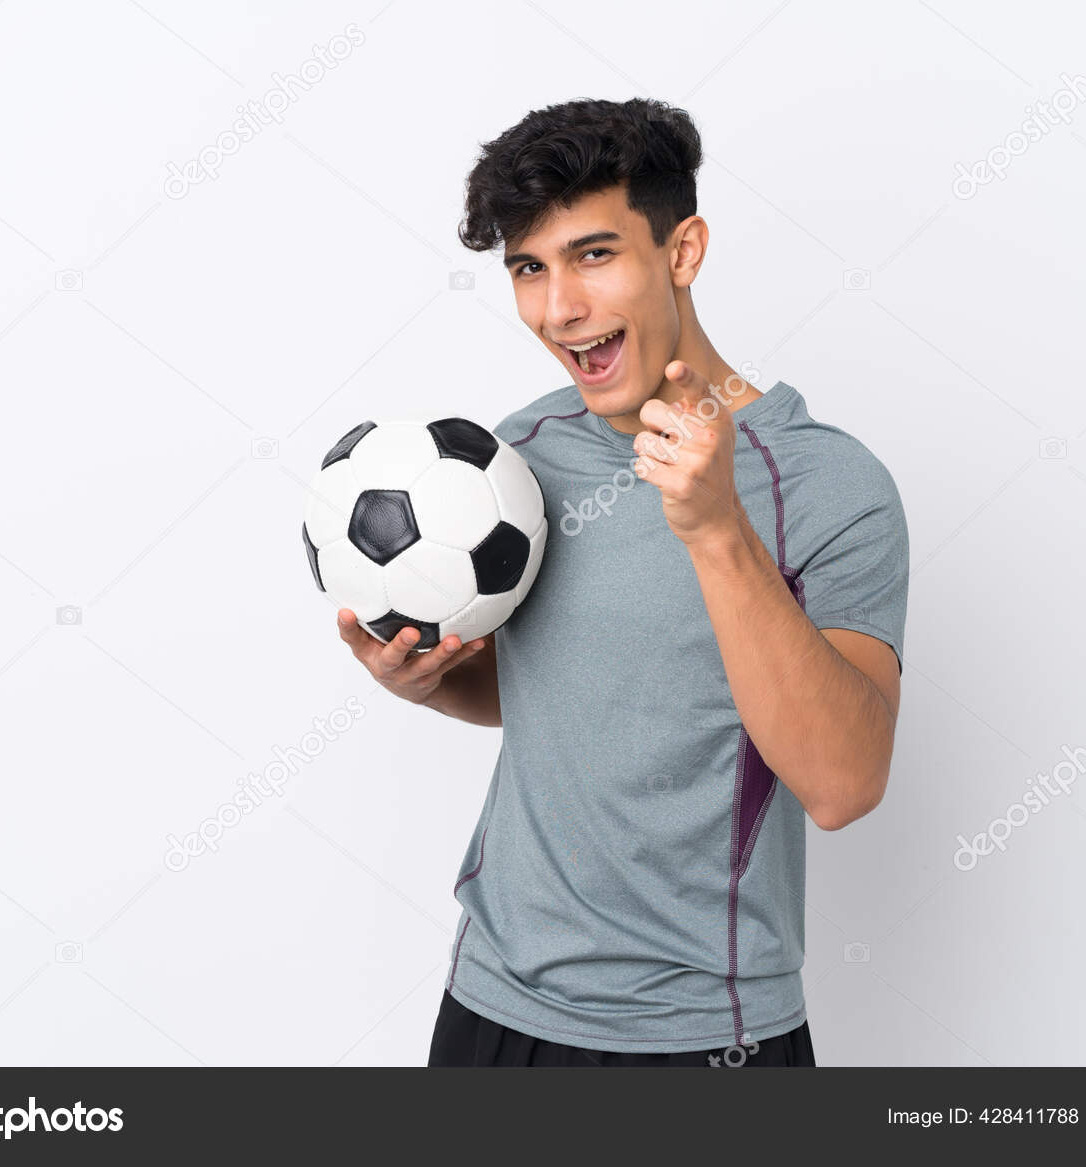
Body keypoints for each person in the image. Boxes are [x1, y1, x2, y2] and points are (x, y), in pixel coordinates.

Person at [336, 97, 909, 1068]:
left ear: (681, 251)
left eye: (594, 255)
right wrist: (434, 681)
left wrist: (716, 530)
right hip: (490, 1005)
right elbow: (570, 690)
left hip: (704, 1037)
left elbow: (844, 783)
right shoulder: (507, 464)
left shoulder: (823, 486)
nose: (559, 307)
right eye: (529, 268)